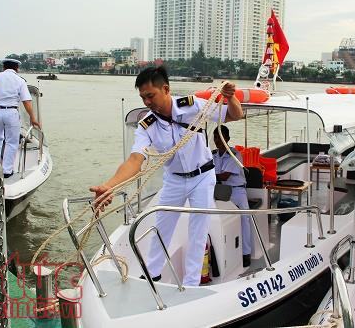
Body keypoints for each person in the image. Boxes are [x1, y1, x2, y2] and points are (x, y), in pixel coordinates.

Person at [90, 66, 243, 286]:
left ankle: (191, 284)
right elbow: (135, 160)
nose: (147, 102)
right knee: (161, 226)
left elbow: (234, 115)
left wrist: (231, 98)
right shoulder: (147, 126)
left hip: (202, 176)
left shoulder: (192, 106)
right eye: (143, 97)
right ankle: (152, 275)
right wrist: (109, 186)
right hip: (174, 179)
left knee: (198, 230)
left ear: (166, 89)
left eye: (150, 96)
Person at [0, 58, 40, 178]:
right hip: (11, 112)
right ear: (16, 68)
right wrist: (33, 118)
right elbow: (26, 102)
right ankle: (7, 171)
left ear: (4, 67)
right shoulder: (20, 81)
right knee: (11, 142)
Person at [212, 125, 252, 267]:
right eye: (216, 137)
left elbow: (224, 175)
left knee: (244, 219)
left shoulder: (235, 154)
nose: (217, 140)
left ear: (227, 138)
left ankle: (246, 253)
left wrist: (206, 176)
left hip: (237, 191)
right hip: (219, 191)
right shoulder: (212, 155)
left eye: (221, 137)